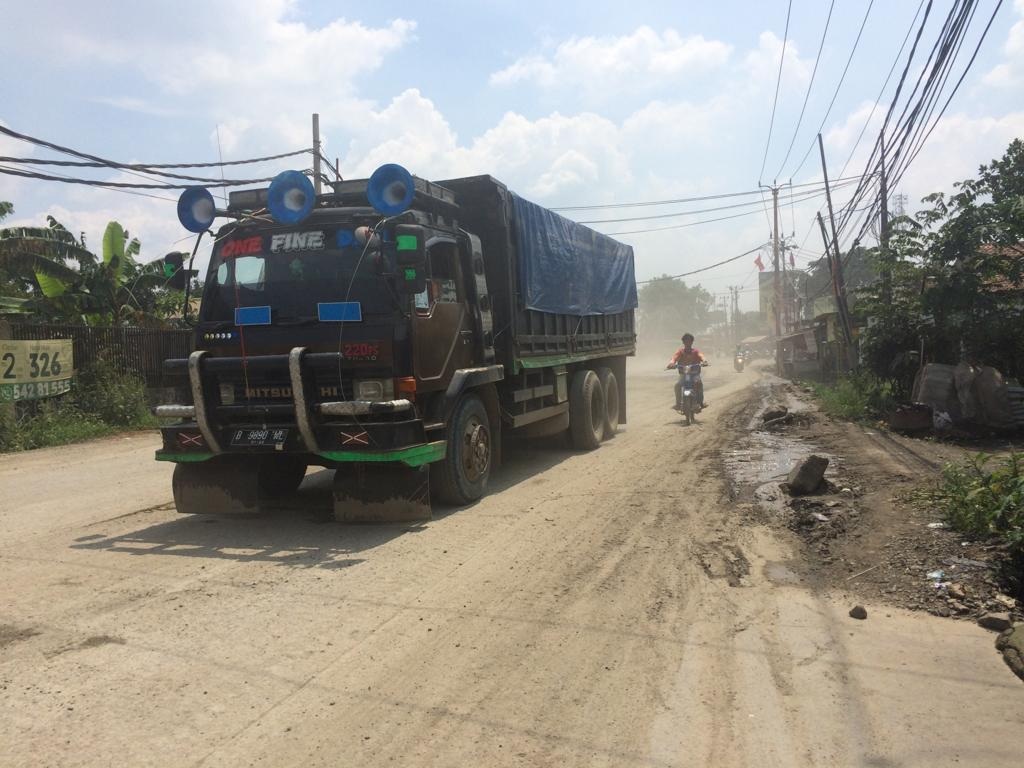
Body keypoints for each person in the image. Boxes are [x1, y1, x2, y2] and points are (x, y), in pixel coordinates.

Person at [666, 333, 707, 409]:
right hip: (684, 375)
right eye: (686, 341)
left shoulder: (696, 351)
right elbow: (674, 358)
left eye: (689, 341)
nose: (687, 343)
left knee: (699, 384)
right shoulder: (680, 352)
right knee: (677, 386)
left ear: (692, 342)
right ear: (683, 342)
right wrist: (671, 363)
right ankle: (678, 404)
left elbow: (702, 356)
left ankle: (700, 402)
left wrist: (704, 361)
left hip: (695, 374)